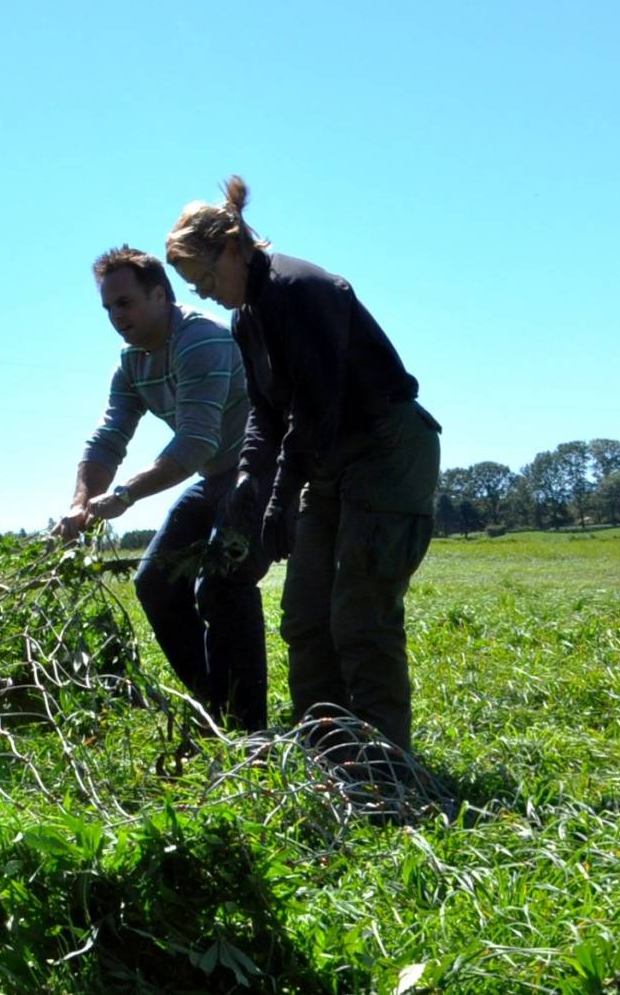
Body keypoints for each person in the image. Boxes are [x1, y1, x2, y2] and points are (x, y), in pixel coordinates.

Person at [165, 176, 438, 751]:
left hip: (384, 447)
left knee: (360, 617)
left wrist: (283, 492)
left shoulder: (301, 290)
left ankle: (384, 768)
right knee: (305, 616)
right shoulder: (248, 318)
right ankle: (330, 751)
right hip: (326, 459)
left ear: (234, 248)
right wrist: (248, 482)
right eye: (196, 285)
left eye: (207, 278)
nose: (206, 293)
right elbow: (268, 415)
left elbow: (315, 406)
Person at [55, 246, 270, 732]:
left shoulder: (200, 339)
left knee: (221, 585)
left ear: (159, 294)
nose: (116, 316)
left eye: (125, 303)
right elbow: (109, 438)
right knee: (155, 581)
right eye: (108, 308)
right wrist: (80, 503)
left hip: (263, 470)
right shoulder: (131, 363)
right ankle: (212, 708)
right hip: (216, 476)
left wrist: (126, 495)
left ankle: (248, 729)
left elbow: (195, 441)